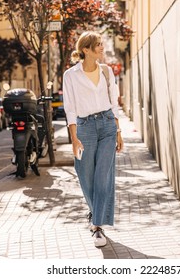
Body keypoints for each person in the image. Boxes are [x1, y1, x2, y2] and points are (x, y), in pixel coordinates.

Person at [63, 31, 123, 247]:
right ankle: (94, 214)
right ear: (86, 49)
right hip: (84, 128)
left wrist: (118, 132)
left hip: (107, 125)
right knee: (86, 177)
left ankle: (97, 227)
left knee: (103, 178)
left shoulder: (107, 72)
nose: (101, 47)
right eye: (97, 44)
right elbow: (69, 108)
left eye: (101, 43)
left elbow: (114, 103)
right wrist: (74, 138)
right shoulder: (70, 75)